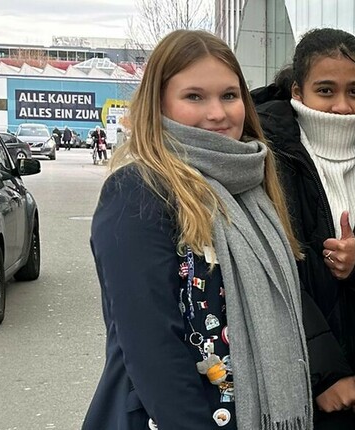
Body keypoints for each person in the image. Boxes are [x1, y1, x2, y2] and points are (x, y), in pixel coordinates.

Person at [83, 30, 312, 430]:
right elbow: (151, 349)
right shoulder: (138, 190)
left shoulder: (253, 187)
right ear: (159, 104)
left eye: (229, 95)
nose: (218, 113)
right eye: (194, 97)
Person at [251, 28, 355, 430]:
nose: (342, 106)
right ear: (297, 92)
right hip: (301, 378)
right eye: (325, 90)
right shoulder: (263, 155)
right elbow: (268, 276)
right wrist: (326, 371)